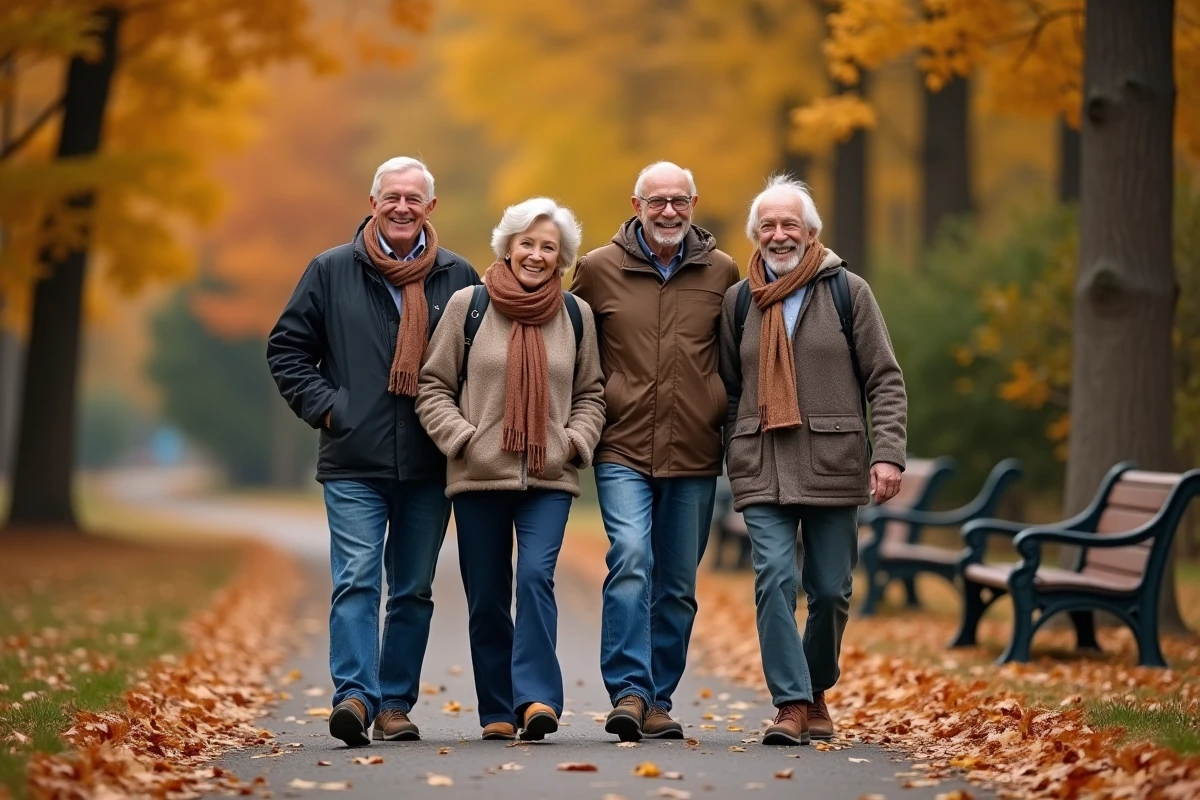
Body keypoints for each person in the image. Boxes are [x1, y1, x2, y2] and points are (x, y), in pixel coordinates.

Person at [267, 156, 480, 747]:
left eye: (414, 198)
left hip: (430, 461)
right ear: (373, 202)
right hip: (353, 459)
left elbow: (482, 367)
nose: (402, 207)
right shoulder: (331, 270)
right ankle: (354, 698)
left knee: (412, 587)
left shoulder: (460, 277)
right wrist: (330, 408)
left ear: (430, 207)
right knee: (357, 578)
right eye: (392, 197)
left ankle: (393, 704)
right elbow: (287, 349)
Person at [717, 175, 907, 746]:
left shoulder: (849, 292)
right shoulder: (737, 301)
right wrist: (735, 444)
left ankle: (817, 687)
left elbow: (885, 379)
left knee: (830, 590)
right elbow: (728, 387)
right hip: (763, 466)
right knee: (774, 579)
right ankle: (792, 704)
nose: (779, 235)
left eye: (790, 225)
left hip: (833, 462)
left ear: (811, 232)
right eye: (768, 226)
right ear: (755, 235)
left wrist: (889, 454)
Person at [417, 197, 605, 741]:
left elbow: (592, 393)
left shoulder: (576, 315)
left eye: (549, 247)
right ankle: (497, 708)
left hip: (549, 476)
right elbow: (433, 387)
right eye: (528, 243)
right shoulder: (467, 306)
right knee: (488, 596)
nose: (537, 255)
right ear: (508, 245)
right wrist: (463, 439)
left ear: (562, 257)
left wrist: (574, 441)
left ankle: (538, 699)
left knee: (535, 577)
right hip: (479, 475)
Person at [571, 161, 740, 741]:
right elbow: (564, 341)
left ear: (694, 203)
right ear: (636, 203)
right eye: (657, 201)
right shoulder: (597, 269)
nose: (669, 212)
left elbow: (734, 358)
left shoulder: (721, 271)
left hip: (695, 448)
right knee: (632, 557)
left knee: (678, 585)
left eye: (679, 201)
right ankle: (629, 691)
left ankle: (659, 699)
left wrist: (725, 413)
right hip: (620, 443)